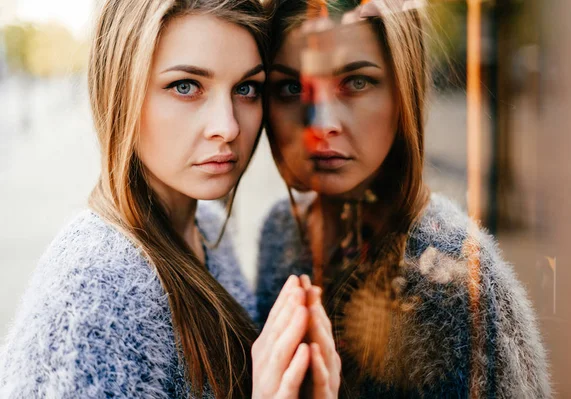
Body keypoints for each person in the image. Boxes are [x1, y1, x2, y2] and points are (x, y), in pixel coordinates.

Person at [0, 0, 340, 397]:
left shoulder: (206, 226)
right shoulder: (95, 292)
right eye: (186, 87)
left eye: (246, 89)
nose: (227, 127)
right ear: (119, 92)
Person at [257, 0, 551, 397]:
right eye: (292, 88)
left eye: (356, 82)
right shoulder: (281, 233)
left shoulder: (454, 279)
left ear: (403, 88)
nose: (321, 124)